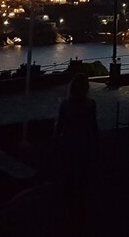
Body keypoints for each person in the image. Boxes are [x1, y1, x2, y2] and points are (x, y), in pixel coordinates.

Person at [51, 75, 99, 233]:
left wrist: (55, 143)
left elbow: (60, 128)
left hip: (69, 142)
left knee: (70, 172)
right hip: (84, 142)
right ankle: (82, 199)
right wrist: (96, 144)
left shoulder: (65, 105)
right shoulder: (91, 104)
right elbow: (93, 126)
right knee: (83, 171)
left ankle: (70, 200)